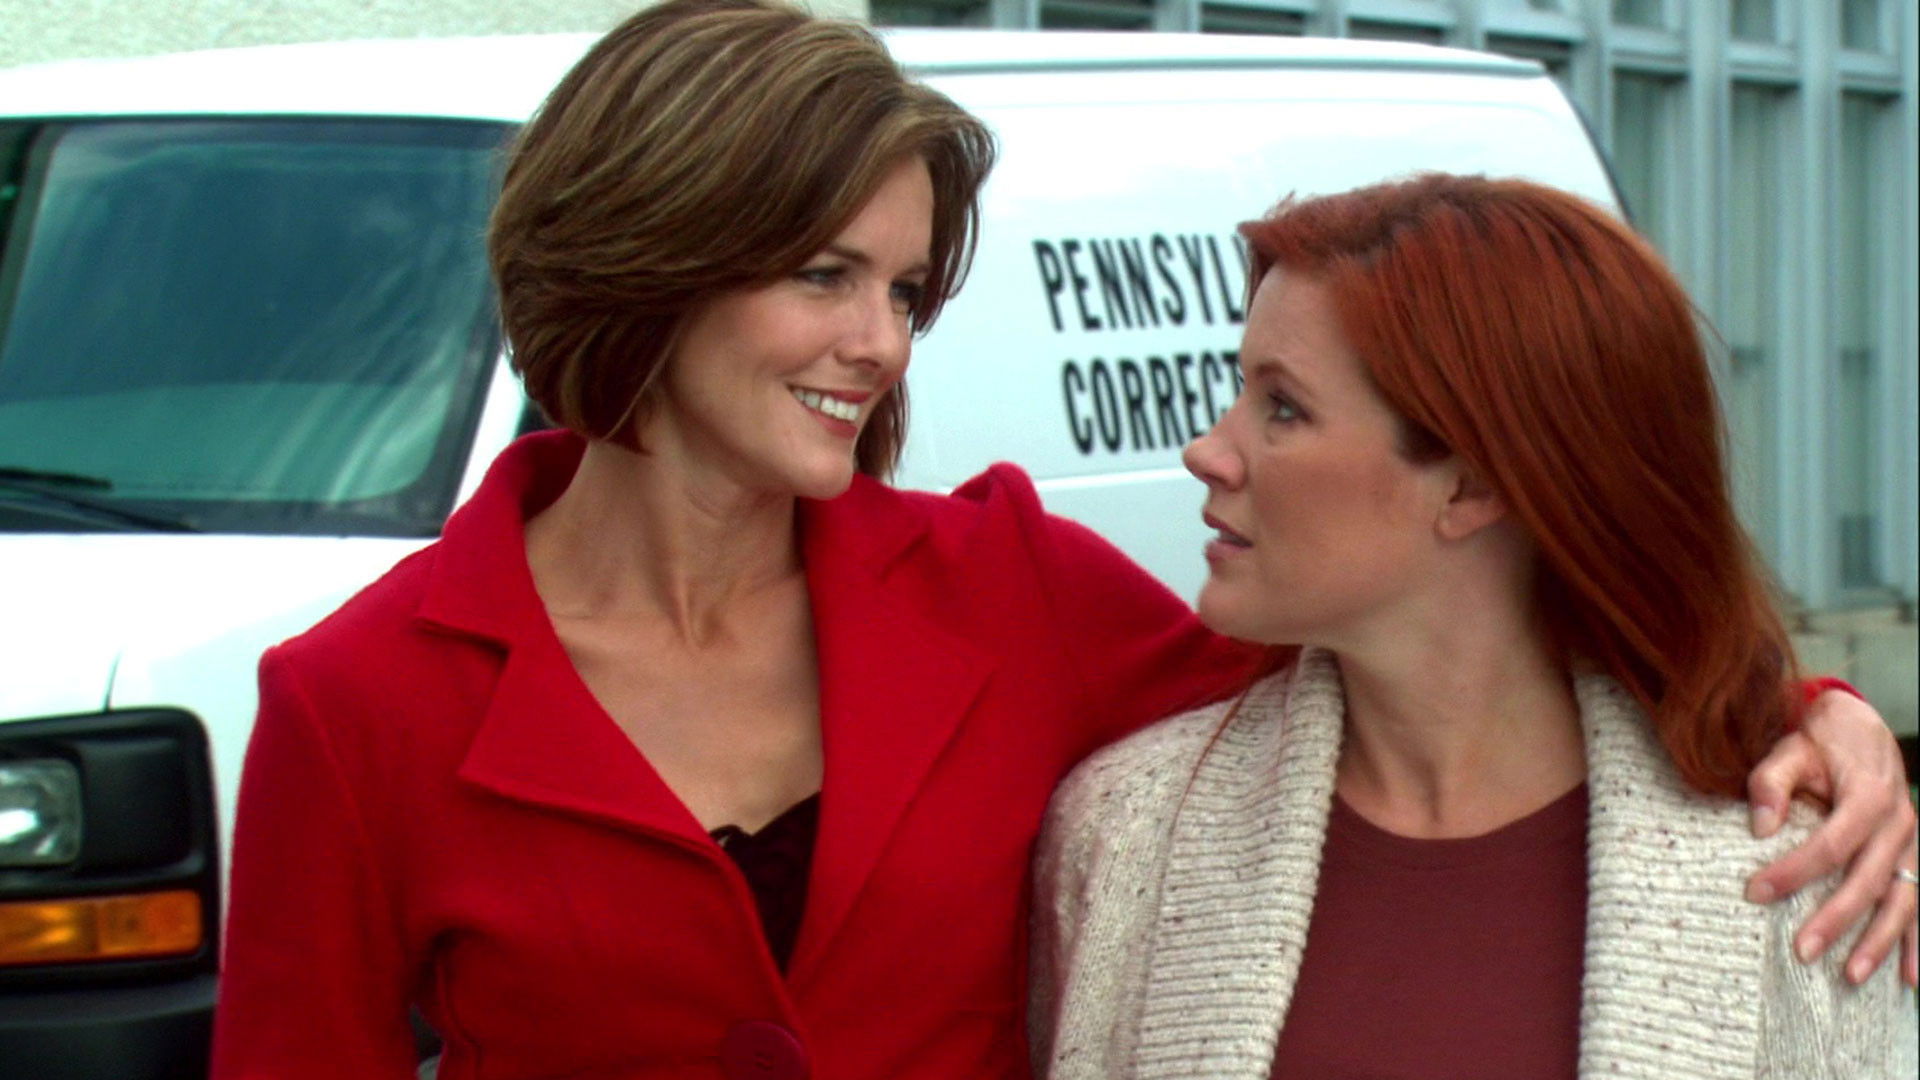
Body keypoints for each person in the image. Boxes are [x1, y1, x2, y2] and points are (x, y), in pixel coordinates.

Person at [212, 4, 1915, 1078]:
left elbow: (1445, 636)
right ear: (647, 254)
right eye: (823, 275)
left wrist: (1804, 714)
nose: (879, 346)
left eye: (904, 290)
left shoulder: (1013, 591)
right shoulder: (357, 701)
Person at [1030, 174, 1920, 1079]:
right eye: (1240, 392)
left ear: (1473, 485)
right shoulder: (1124, 838)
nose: (1208, 450)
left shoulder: (1810, 877)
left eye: (1283, 407)